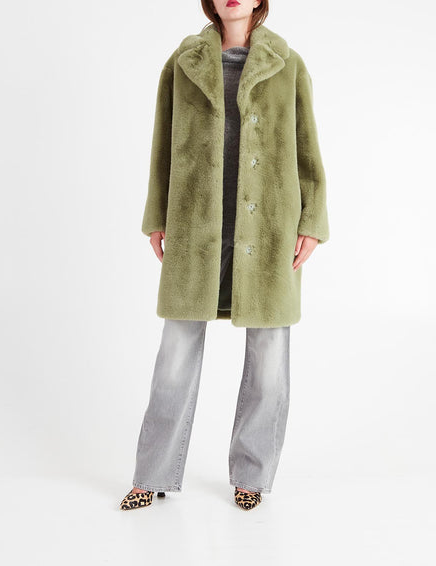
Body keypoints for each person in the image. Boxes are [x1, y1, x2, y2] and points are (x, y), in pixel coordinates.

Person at [120, 0, 329, 511]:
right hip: (196, 227)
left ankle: (251, 477)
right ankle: (152, 474)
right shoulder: (183, 62)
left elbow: (308, 151)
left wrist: (312, 222)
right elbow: (162, 146)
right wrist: (156, 215)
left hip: (270, 229)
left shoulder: (288, 63)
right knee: (175, 354)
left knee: (269, 359)